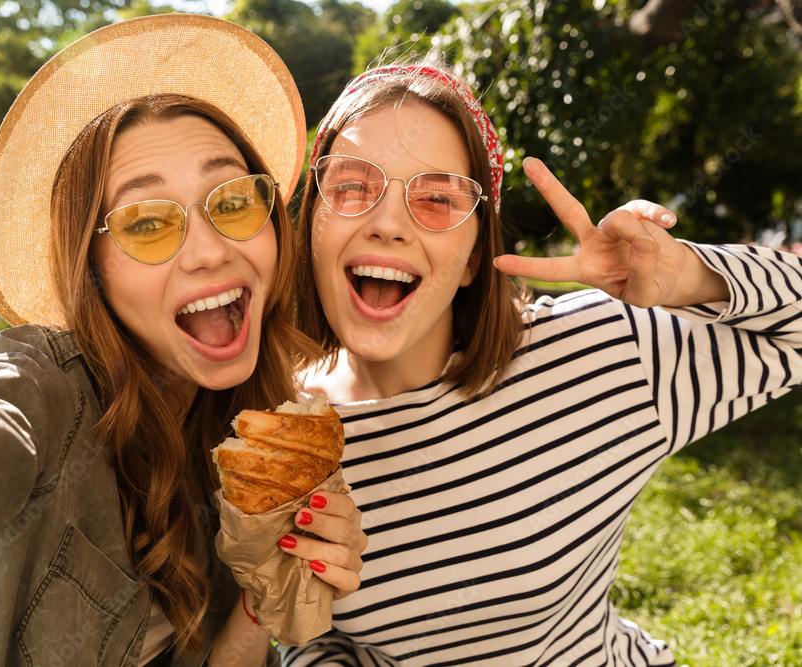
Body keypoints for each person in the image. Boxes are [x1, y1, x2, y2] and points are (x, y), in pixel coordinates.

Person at [0, 15, 366, 667]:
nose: (211, 250)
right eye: (147, 222)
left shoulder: (245, 442)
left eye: (234, 200)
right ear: (92, 268)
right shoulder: (46, 391)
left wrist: (265, 587)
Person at [283, 61, 802, 665]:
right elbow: (316, 634)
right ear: (311, 226)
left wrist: (688, 275)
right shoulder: (283, 435)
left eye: (436, 198)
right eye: (353, 186)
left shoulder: (598, 351)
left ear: (475, 256)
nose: (389, 225)